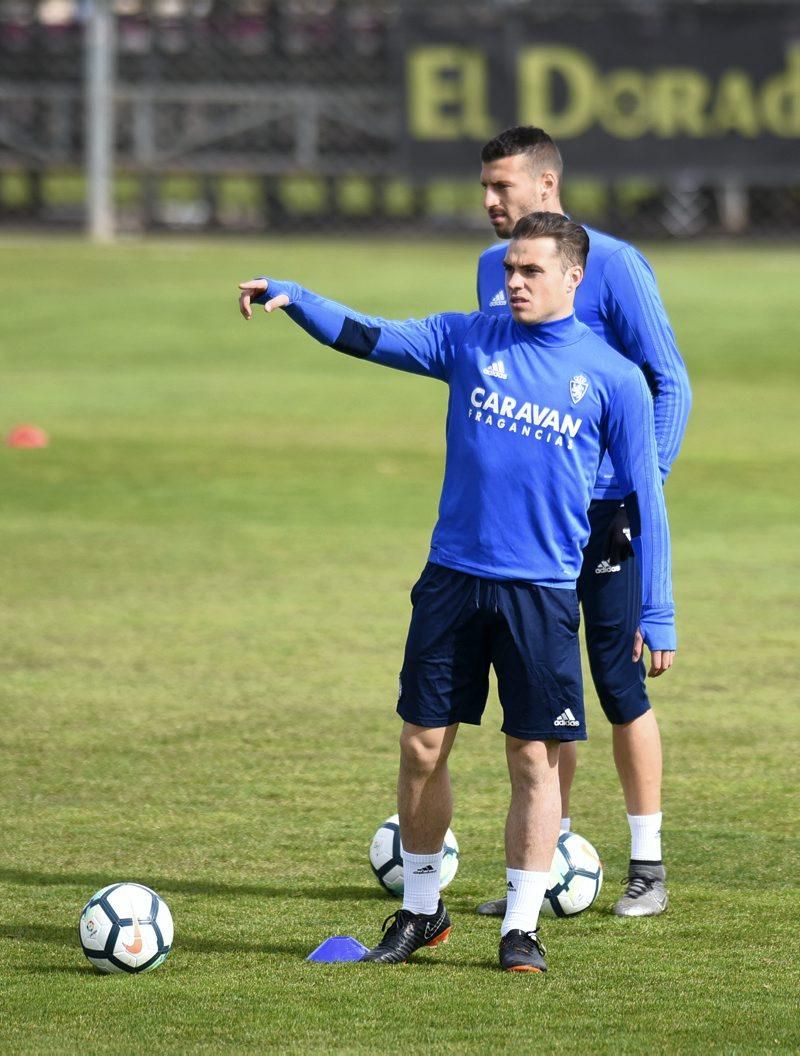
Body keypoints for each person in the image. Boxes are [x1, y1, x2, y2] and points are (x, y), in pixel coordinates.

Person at [238, 212, 676, 973]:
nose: (513, 281)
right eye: (510, 269)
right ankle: (419, 913)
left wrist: (657, 606)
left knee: (533, 758)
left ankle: (521, 928)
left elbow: (647, 498)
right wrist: (297, 297)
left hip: (540, 592)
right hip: (451, 578)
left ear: (573, 276)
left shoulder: (613, 378)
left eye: (531, 271)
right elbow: (369, 336)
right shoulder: (469, 337)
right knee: (420, 747)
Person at [475, 128, 692, 919]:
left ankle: (647, 863)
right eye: (487, 188)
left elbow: (670, 382)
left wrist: (639, 484)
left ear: (546, 184)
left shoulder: (617, 265)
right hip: (531, 522)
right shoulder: (490, 273)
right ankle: (550, 858)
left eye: (504, 188)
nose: (491, 203)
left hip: (607, 515)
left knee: (617, 680)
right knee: (540, 689)